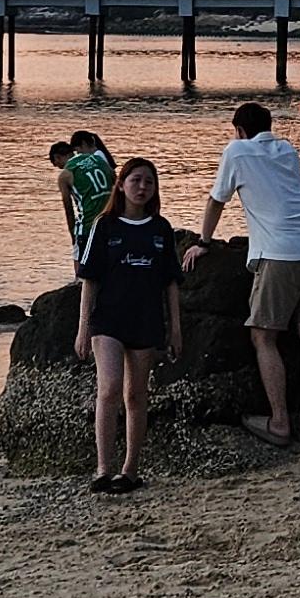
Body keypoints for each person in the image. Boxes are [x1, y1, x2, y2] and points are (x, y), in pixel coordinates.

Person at [201, 102, 300, 444]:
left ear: (240, 130)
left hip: (281, 257)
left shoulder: (237, 150)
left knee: (263, 336)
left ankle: (279, 422)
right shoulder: (287, 150)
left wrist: (203, 241)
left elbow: (217, 199)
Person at [74, 156, 187, 492]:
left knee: (136, 395)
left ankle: (130, 470)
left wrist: (175, 329)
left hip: (146, 319)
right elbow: (88, 280)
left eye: (148, 182)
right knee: (108, 389)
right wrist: (83, 328)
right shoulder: (104, 225)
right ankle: (103, 468)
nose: (142, 187)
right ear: (121, 185)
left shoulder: (161, 229)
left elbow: (170, 282)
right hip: (108, 319)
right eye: (135, 180)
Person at [50, 131, 116, 259]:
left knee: (82, 275)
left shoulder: (65, 175)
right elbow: (118, 185)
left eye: (57, 165)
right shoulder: (99, 159)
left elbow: (69, 211)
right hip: (110, 222)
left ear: (58, 157)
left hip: (87, 226)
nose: (59, 167)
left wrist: (73, 236)